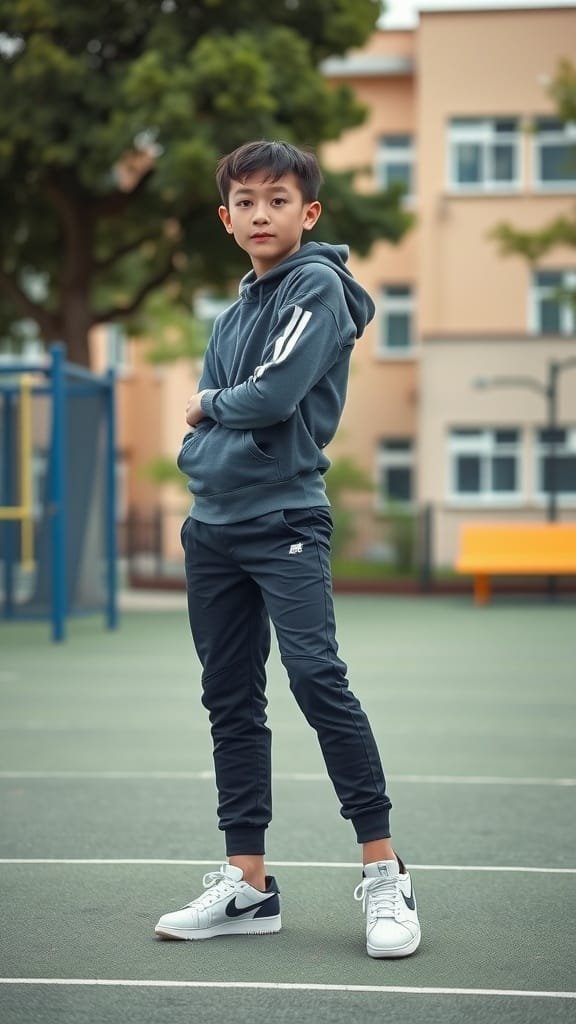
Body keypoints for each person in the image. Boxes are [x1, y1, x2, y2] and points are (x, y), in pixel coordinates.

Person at [155, 140, 421, 958]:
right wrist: (203, 436)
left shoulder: (315, 286)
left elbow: (269, 397)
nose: (260, 213)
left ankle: (385, 874)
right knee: (231, 698)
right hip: (214, 525)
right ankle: (249, 886)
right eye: (246, 201)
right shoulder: (233, 313)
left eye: (278, 199)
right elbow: (227, 414)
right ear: (226, 218)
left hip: (286, 524)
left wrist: (205, 407)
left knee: (316, 677)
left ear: (307, 214)